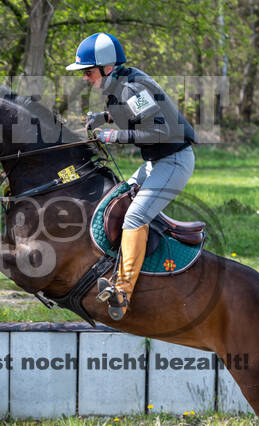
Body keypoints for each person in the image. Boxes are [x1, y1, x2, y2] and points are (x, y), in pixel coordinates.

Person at [66, 32, 196, 320]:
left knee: (135, 217)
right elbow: (137, 114)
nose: (85, 78)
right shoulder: (122, 84)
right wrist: (104, 118)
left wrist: (116, 135)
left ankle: (122, 292)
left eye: (88, 71)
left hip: (173, 161)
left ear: (107, 68)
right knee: (115, 198)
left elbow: (164, 131)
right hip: (157, 162)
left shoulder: (131, 87)